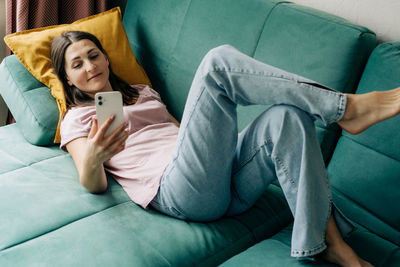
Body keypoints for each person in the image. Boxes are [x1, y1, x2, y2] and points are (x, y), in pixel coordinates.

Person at [51, 31, 400, 267]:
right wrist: (96, 156)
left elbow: (183, 133)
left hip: (221, 179)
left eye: (93, 55)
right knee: (217, 62)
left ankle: (330, 245)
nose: (90, 66)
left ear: (106, 59)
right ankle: (346, 109)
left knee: (288, 118)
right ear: (68, 79)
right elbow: (91, 182)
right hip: (179, 190)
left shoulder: (143, 92)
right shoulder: (76, 119)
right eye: (77, 64)